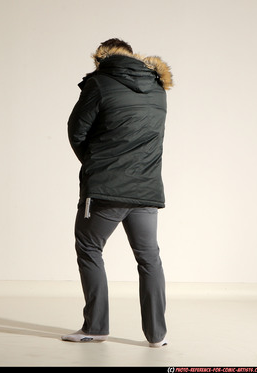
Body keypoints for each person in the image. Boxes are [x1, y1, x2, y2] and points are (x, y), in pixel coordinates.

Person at [62, 38, 173, 347]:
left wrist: (98, 165)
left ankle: (95, 327)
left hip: (106, 192)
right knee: (149, 259)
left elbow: (76, 131)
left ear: (103, 58)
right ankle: (157, 336)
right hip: (146, 190)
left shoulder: (98, 83)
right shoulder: (157, 88)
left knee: (89, 248)